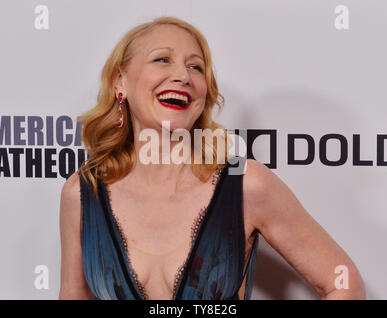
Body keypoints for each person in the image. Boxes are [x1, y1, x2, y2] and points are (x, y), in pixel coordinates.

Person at [58, 16, 365, 300]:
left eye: (196, 67)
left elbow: (343, 282)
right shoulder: (83, 193)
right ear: (120, 82)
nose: (182, 75)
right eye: (162, 59)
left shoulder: (245, 184)